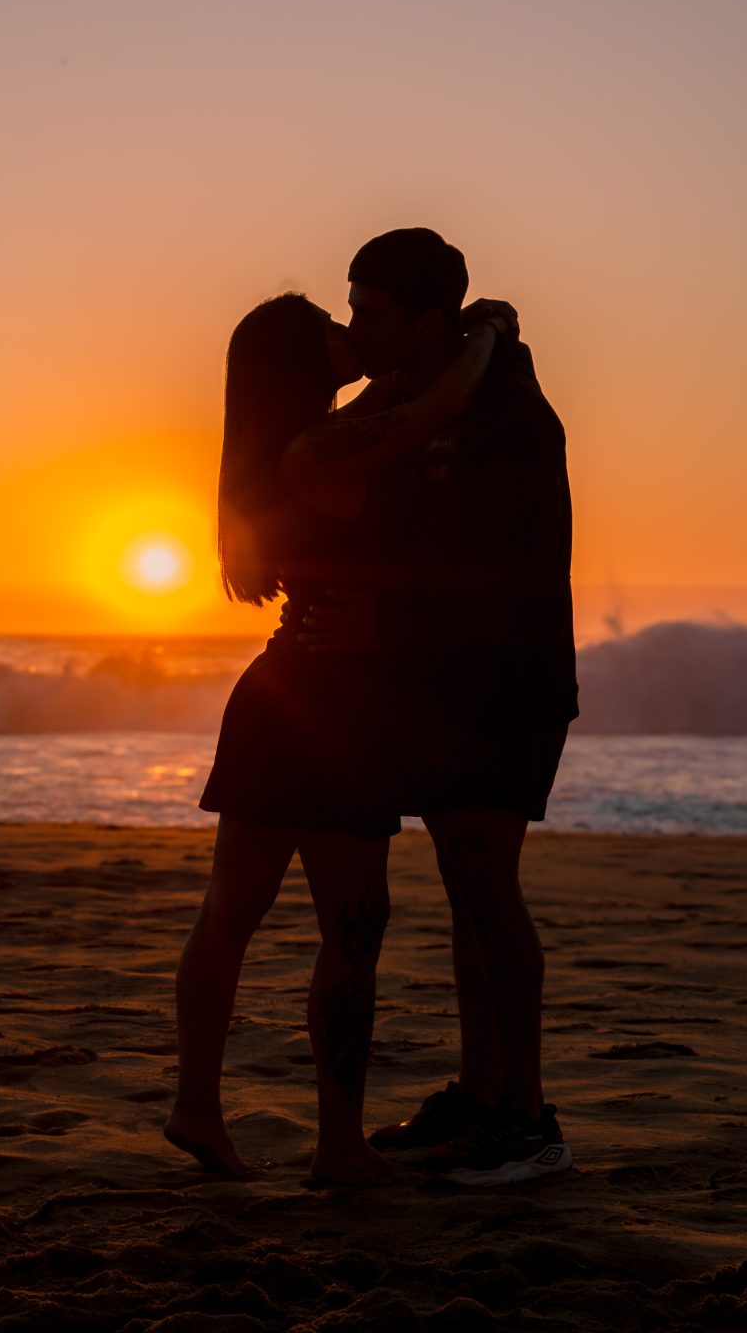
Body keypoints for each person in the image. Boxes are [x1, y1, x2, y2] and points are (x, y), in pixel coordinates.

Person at [165, 289, 512, 1183]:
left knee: (229, 915)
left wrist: (395, 363)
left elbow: (390, 398)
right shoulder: (317, 450)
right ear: (298, 360)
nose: (345, 329)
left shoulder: (299, 441)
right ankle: (337, 1147)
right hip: (330, 708)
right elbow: (433, 408)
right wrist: (485, 334)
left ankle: (197, 1109)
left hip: (282, 697)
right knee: (351, 930)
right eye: (328, 325)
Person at [300, 228, 578, 1186]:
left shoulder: (506, 415)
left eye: (367, 313)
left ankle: (527, 1116)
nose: (352, 328)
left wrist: (384, 613)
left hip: (508, 680)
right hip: (448, 681)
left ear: (426, 322)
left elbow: (506, 567)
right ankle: (482, 1091)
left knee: (486, 883)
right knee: (466, 885)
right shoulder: (438, 390)